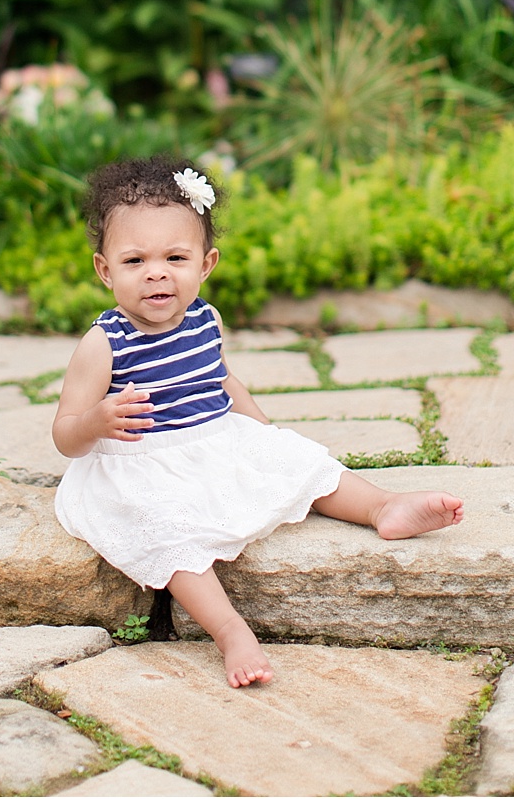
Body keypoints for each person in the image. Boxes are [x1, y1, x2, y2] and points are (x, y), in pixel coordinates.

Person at [53, 156, 464, 689]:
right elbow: (64, 433)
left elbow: (223, 383)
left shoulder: (206, 319)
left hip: (212, 439)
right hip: (141, 464)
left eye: (175, 257)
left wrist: (267, 436)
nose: (156, 272)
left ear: (206, 263)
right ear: (105, 270)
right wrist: (96, 420)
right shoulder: (104, 343)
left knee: (301, 461)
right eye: (135, 260)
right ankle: (228, 630)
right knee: (167, 531)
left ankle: (383, 505)